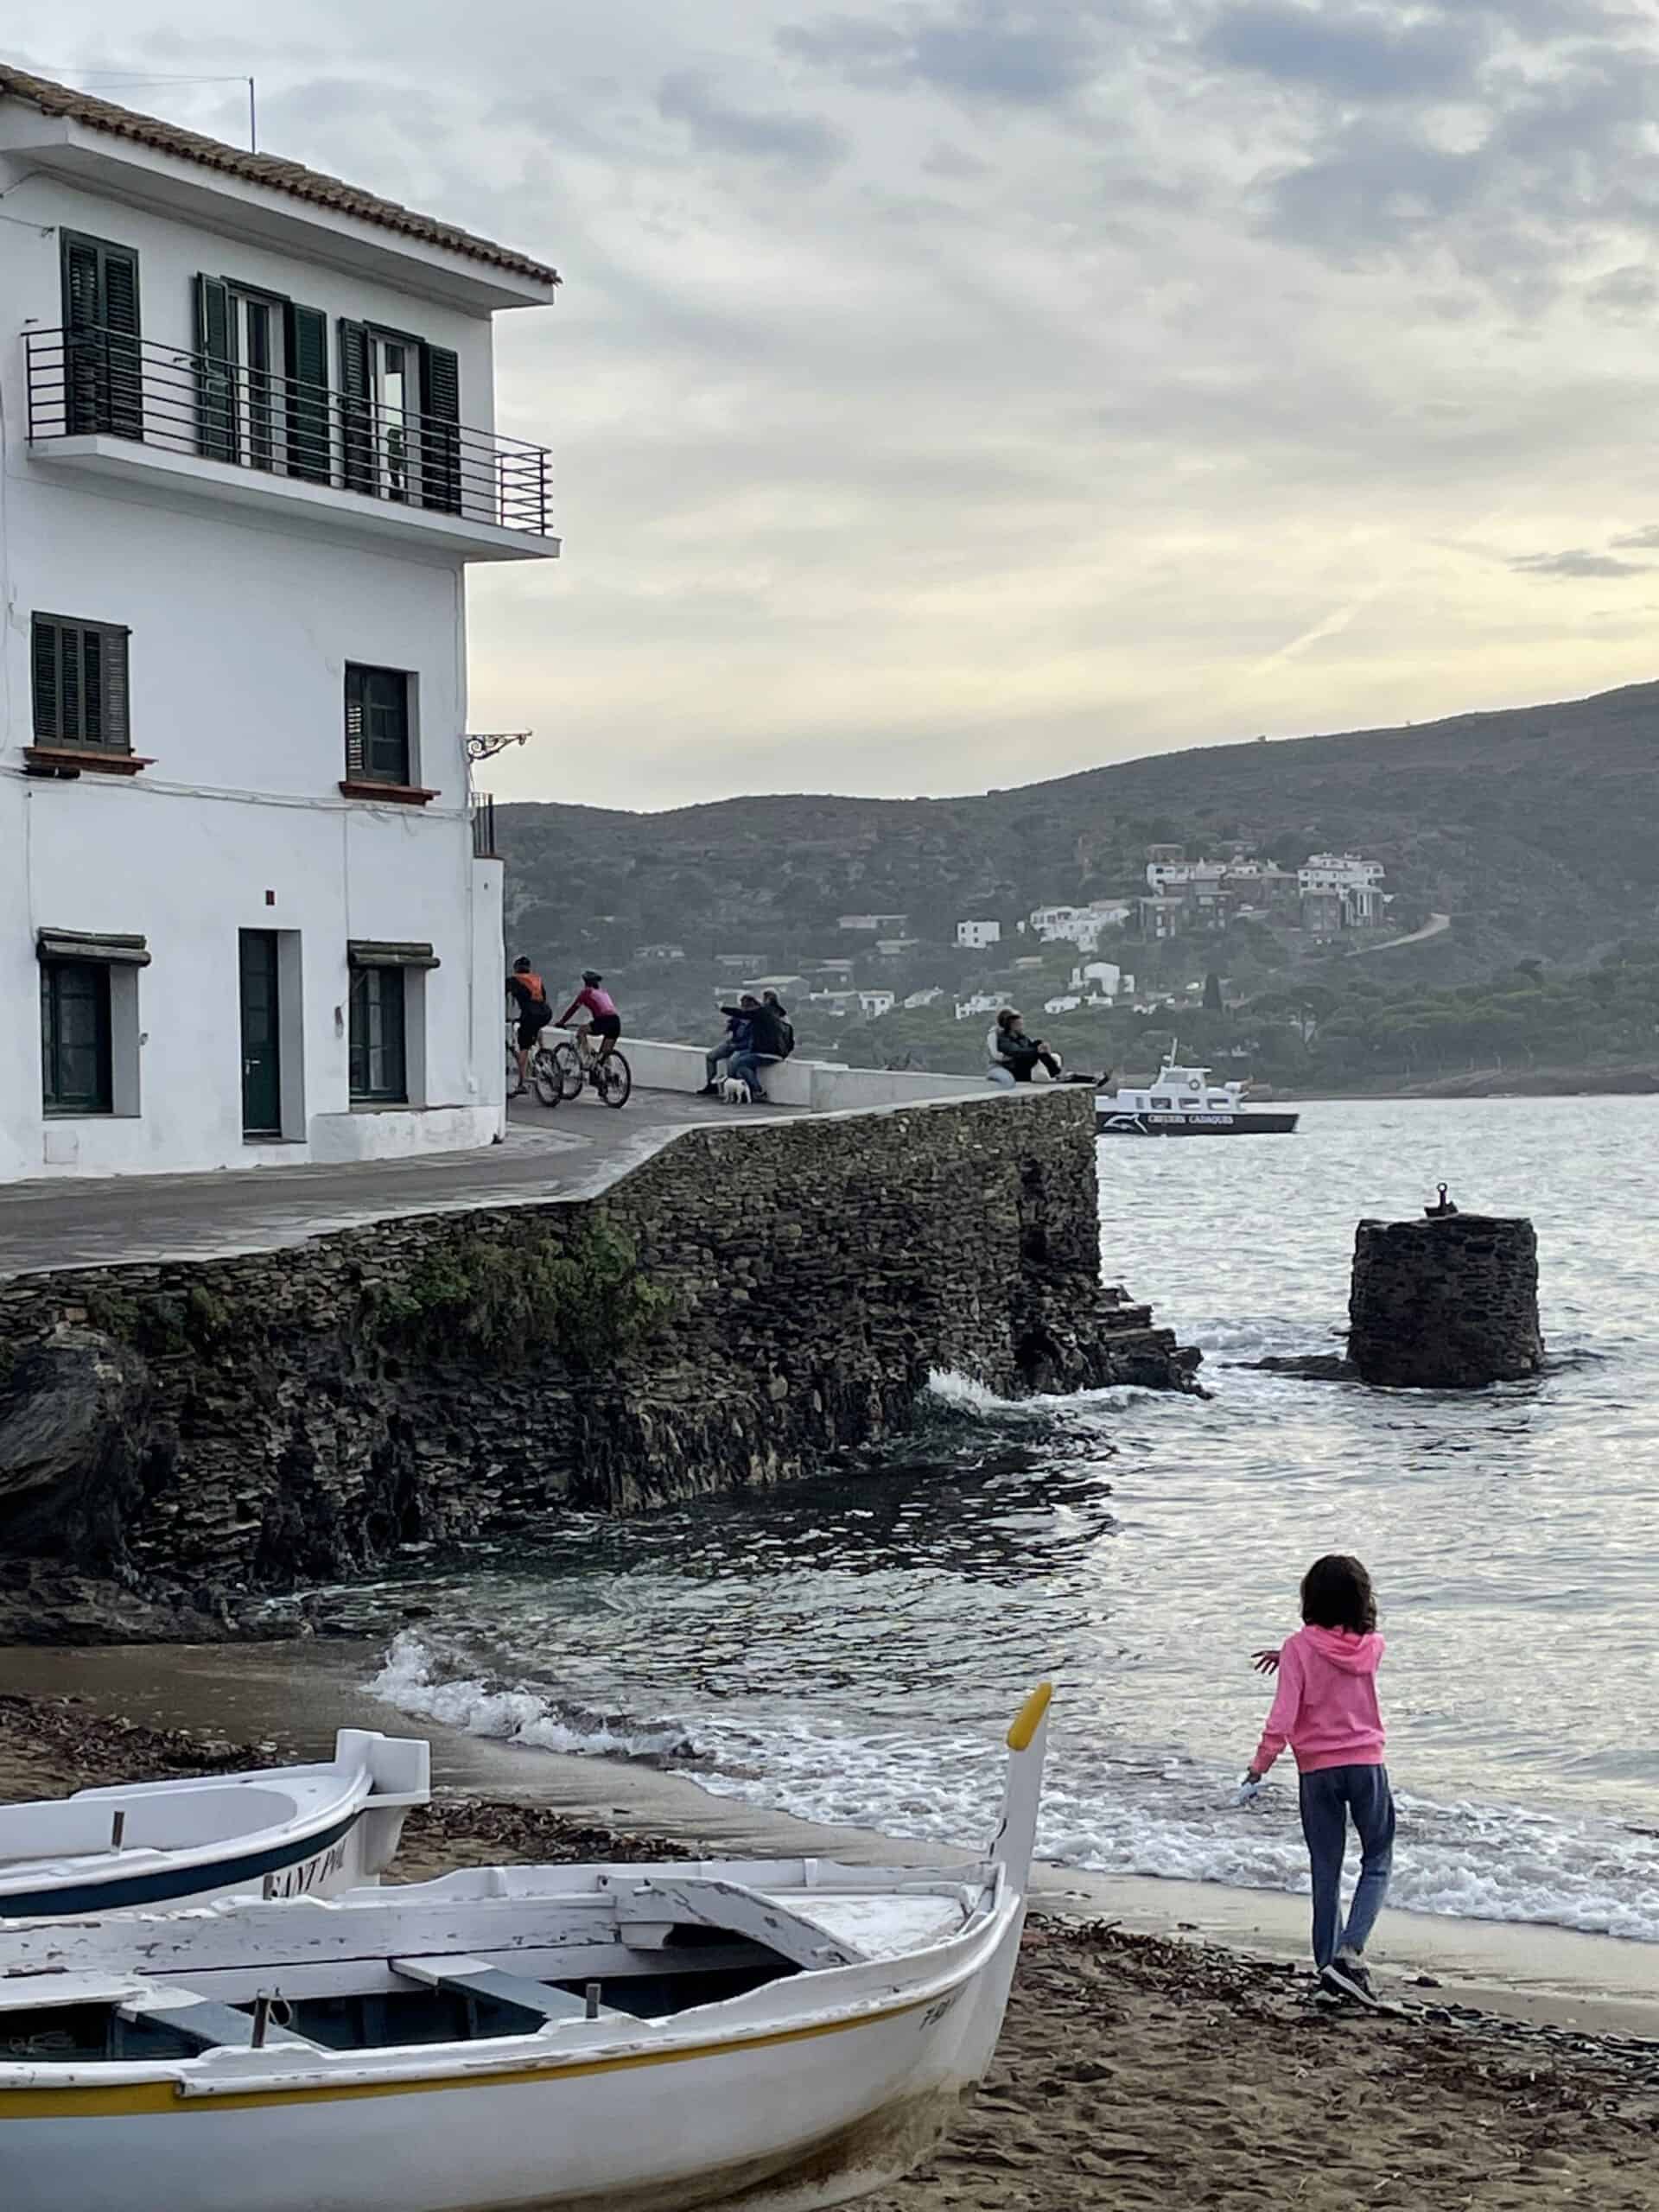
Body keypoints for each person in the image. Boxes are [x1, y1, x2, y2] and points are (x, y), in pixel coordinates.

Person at [1243, 1554, 1394, 2006]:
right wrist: (1292, 1655)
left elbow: (1284, 1717)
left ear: (1310, 1597)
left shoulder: (1297, 1648)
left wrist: (1260, 1765)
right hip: (1366, 1764)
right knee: (1378, 1858)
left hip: (1317, 1770)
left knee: (1325, 1871)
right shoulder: (1374, 1646)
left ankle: (1330, 1968)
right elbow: (1338, 1654)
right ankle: (1351, 1952)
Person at [728, 992, 791, 1100]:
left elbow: (743, 1014)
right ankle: (741, 1090)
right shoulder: (779, 1016)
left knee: (741, 1063)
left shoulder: (764, 1013)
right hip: (776, 1052)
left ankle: (758, 1091)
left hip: (767, 1053)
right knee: (741, 1060)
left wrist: (723, 1009)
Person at [505, 955, 552, 1097]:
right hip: (545, 1013)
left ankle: (521, 1083)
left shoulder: (513, 980)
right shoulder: (537, 980)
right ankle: (543, 1052)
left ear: (516, 968)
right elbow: (543, 998)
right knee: (535, 1026)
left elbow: (501, 995)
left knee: (524, 1046)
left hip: (530, 1015)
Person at [555, 969, 622, 1064]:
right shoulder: (603, 992)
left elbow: (573, 1009)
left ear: (586, 982)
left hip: (604, 1020)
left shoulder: (586, 993)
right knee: (604, 1054)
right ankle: (608, 1073)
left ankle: (588, 1058)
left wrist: (562, 1022)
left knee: (581, 1031)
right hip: (616, 1022)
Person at [988, 1007, 1063, 1084]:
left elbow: (1029, 1047)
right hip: (1014, 1067)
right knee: (1036, 1050)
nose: (1022, 1027)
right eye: (1019, 1025)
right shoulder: (1003, 1039)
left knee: (1038, 1044)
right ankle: (1056, 1073)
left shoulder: (1021, 1037)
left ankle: (1056, 1073)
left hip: (1022, 1063)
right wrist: (1037, 1050)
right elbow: (1016, 1052)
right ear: (1012, 1025)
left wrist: (1042, 1047)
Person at [702, 995, 760, 1093]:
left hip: (744, 1047)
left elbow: (752, 1041)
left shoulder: (757, 1020)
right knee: (710, 1056)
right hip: (733, 1042)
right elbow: (733, 1025)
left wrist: (737, 1046)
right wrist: (730, 1027)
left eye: (745, 1005)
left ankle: (734, 1089)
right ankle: (711, 1085)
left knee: (732, 1062)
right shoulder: (739, 1016)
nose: (743, 1007)